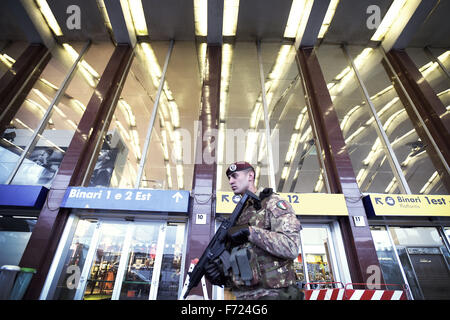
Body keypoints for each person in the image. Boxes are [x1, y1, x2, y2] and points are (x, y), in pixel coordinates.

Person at [205, 161, 303, 300]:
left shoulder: (272, 202)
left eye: (234, 176)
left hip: (277, 294)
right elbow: (244, 259)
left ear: (250, 175)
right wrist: (221, 274)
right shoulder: (240, 214)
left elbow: (290, 246)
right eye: (229, 178)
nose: (231, 181)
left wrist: (251, 231)